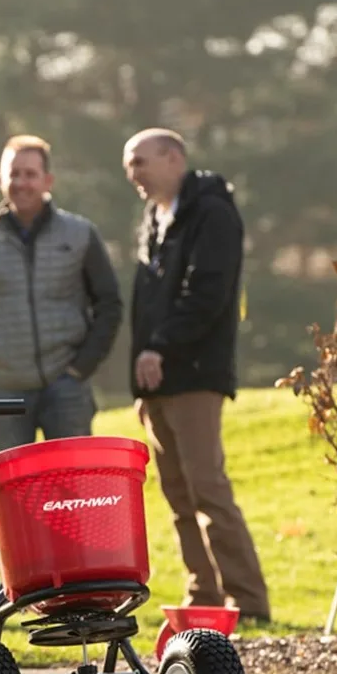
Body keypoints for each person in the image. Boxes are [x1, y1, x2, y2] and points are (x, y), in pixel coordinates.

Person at [122, 127, 271, 623]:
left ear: (173, 158)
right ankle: (202, 594)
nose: (133, 174)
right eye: (129, 165)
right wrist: (141, 378)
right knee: (177, 494)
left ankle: (247, 600)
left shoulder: (212, 212)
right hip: (157, 379)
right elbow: (146, 305)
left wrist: (162, 348)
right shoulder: (154, 217)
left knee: (207, 488)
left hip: (195, 373)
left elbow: (207, 293)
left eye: (140, 162)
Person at [0, 134, 122, 451]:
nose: (21, 183)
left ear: (48, 180)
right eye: (13, 174)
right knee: (13, 495)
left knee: (74, 490)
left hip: (66, 386)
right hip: (2, 392)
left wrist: (80, 368)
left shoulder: (80, 233)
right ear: (1, 180)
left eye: (30, 174)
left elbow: (110, 305)